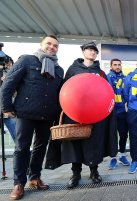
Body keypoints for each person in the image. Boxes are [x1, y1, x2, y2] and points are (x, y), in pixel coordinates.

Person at [45, 42, 118, 188]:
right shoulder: (72, 70)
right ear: (83, 52)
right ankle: (75, 173)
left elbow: (106, 93)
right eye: (89, 50)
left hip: (95, 115)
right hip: (75, 114)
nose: (92, 53)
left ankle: (94, 171)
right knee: (75, 144)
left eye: (94, 51)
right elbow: (64, 90)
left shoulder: (101, 73)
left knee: (94, 144)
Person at [0, 35, 64, 200]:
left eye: (55, 45)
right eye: (48, 44)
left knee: (40, 147)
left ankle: (34, 177)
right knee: (21, 147)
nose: (52, 47)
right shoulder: (27, 60)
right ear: (41, 45)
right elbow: (8, 84)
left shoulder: (58, 69)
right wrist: (6, 107)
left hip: (47, 114)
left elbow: (60, 94)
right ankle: (18, 183)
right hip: (25, 112)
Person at [107, 58, 130, 169]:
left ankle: (122, 155)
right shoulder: (107, 77)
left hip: (122, 111)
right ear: (111, 66)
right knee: (112, 135)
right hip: (111, 111)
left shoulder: (125, 78)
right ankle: (113, 157)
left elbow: (127, 93)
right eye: (115, 65)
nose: (117, 66)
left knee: (123, 134)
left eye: (119, 65)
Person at [0, 55, 16, 142]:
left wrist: (8, 81)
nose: (7, 65)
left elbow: (16, 93)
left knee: (18, 138)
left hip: (9, 112)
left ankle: (24, 155)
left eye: (9, 64)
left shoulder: (11, 74)